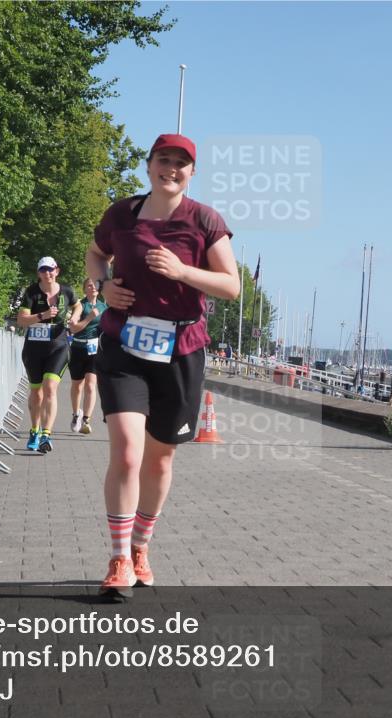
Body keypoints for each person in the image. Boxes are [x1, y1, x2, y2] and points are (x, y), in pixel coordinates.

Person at [85, 133, 240, 599]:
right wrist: (103, 284)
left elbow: (231, 286)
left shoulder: (205, 220)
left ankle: (140, 548)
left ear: (192, 172)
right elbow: (95, 253)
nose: (171, 169)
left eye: (181, 163)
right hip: (124, 344)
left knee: (160, 458)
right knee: (128, 452)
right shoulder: (123, 214)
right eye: (163, 160)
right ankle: (117, 560)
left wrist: (182, 271)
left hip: (181, 349)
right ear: (149, 164)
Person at [16, 257, 78, 453]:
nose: (47, 274)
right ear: (38, 273)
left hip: (58, 346)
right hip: (34, 348)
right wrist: (42, 315)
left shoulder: (67, 291)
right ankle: (34, 430)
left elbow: (77, 306)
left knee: (50, 387)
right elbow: (21, 320)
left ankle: (46, 434)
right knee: (37, 392)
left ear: (56, 271)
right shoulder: (32, 292)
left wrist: (74, 318)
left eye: (50, 270)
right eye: (43, 270)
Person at [68, 278, 107, 435]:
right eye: (89, 285)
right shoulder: (80, 305)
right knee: (77, 385)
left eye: (95, 285)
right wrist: (89, 317)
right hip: (78, 347)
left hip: (95, 349)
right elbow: (74, 329)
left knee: (91, 384)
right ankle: (76, 414)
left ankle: (86, 420)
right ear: (85, 289)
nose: (93, 287)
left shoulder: (104, 306)